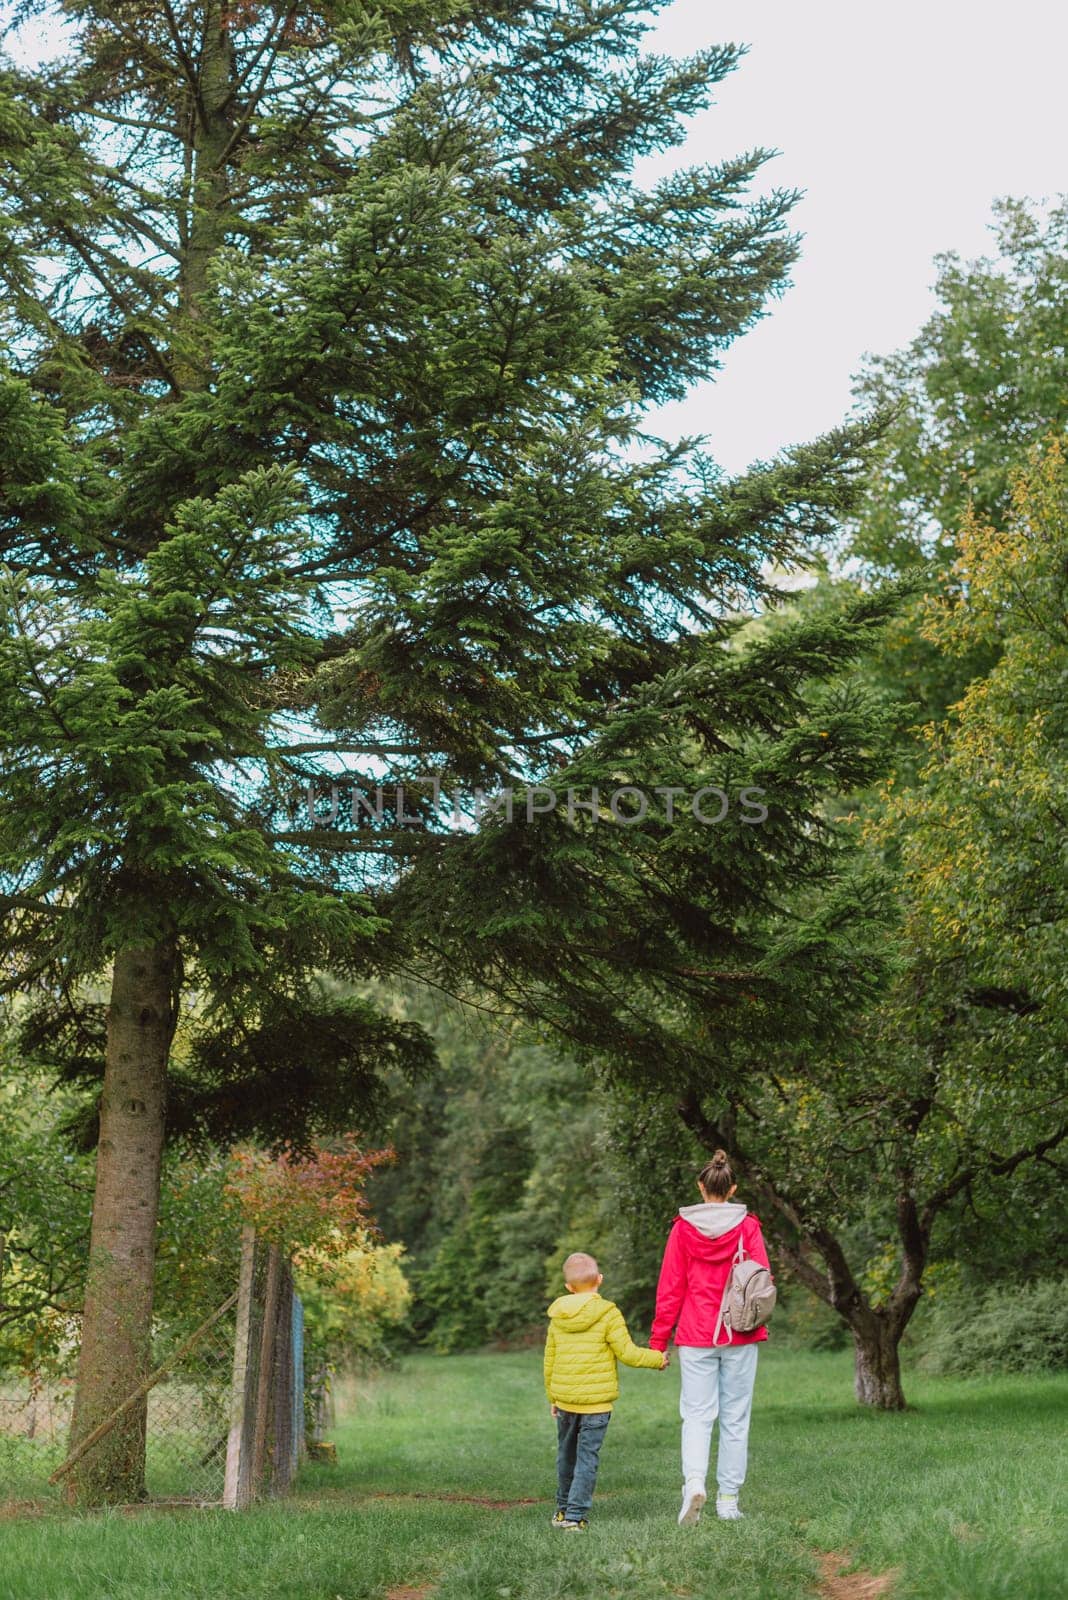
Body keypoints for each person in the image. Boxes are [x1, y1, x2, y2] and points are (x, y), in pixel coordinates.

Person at [649, 1149, 773, 1527]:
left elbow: (671, 1287)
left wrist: (658, 1341)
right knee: (736, 1417)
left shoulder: (682, 1229)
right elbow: (762, 1280)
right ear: (731, 1187)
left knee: (697, 1416)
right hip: (739, 1332)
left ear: (700, 1187)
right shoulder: (748, 1226)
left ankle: (693, 1485)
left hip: (695, 1333)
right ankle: (729, 1501)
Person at [544, 1250, 667, 1530]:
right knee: (587, 1458)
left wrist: (553, 1396)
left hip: (565, 1402)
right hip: (596, 1406)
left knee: (566, 1456)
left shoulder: (557, 1317)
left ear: (568, 1287)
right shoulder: (608, 1312)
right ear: (599, 1280)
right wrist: (658, 1359)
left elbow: (549, 1360)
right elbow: (627, 1353)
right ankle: (575, 1517)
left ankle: (562, 1511)